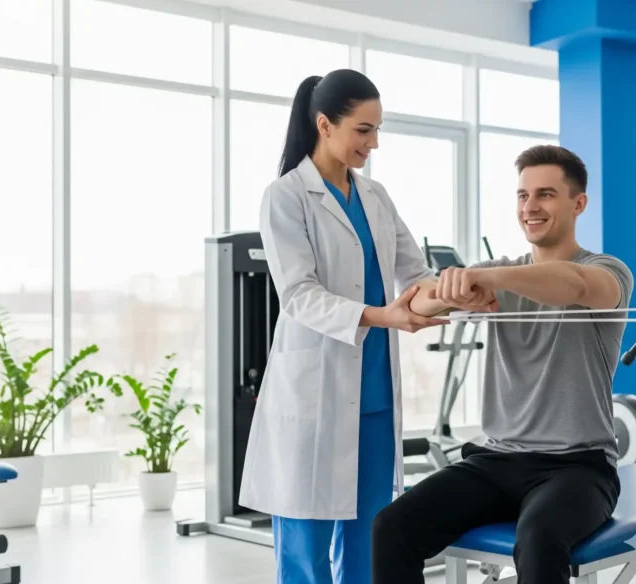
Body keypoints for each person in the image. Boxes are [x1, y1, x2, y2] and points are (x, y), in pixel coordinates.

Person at [238, 69, 493, 584]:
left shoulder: (375, 196)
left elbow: (415, 274)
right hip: (314, 394)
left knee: (367, 541)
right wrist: (384, 316)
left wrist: (462, 296)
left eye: (377, 131)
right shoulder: (286, 196)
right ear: (325, 124)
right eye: (363, 130)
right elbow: (299, 295)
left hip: (374, 397)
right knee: (305, 553)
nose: (373, 143)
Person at [372, 144, 634, 584]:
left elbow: (570, 283)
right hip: (495, 461)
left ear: (579, 203)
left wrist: (483, 278)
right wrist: (448, 292)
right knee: (391, 527)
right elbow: (417, 303)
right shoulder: (494, 271)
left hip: (578, 469)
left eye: (546, 194)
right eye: (522, 195)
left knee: (538, 537)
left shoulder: (608, 271)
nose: (530, 206)